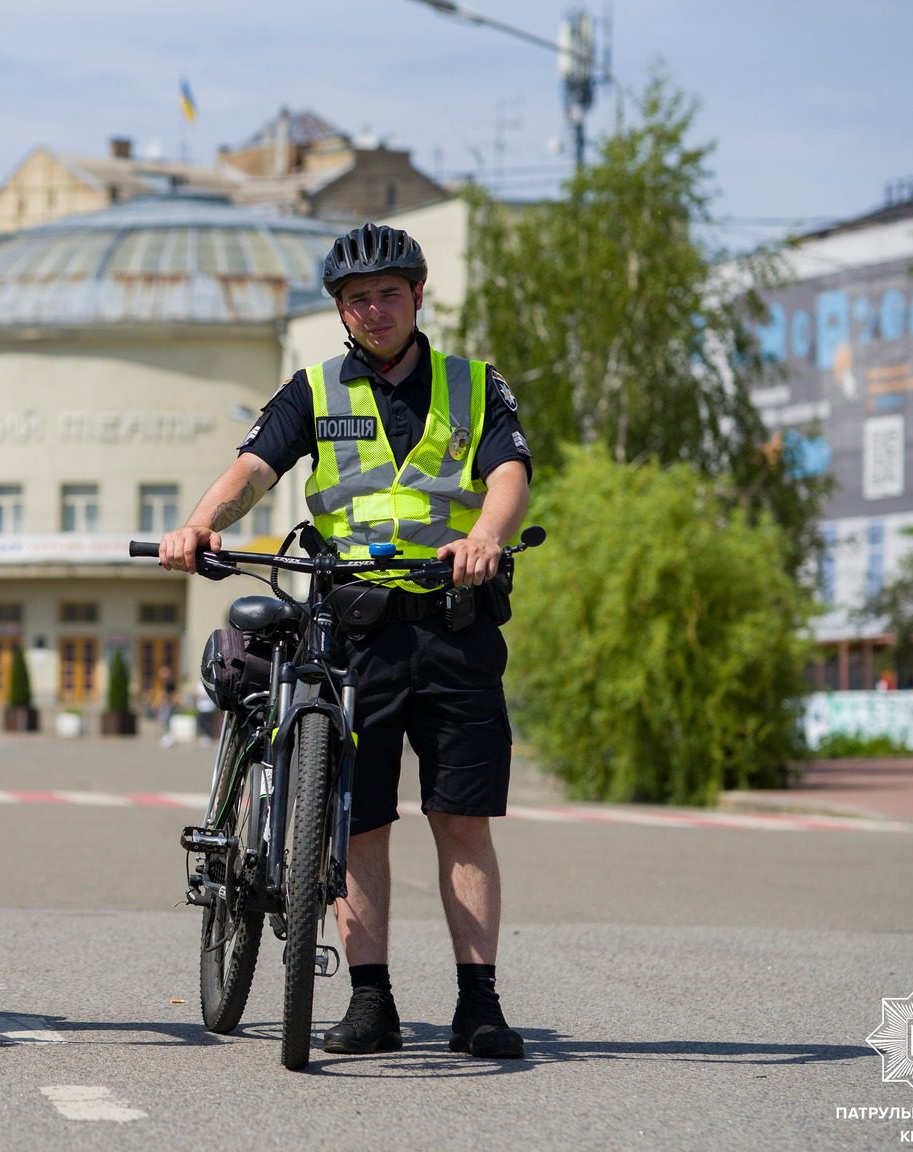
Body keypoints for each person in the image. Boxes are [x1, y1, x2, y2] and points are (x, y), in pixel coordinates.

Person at [157, 222, 533, 1060]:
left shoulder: (474, 386)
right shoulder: (314, 390)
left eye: (388, 294)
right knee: (358, 823)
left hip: (452, 623)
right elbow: (255, 466)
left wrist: (489, 538)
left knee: (461, 821)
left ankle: (479, 1003)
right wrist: (199, 524)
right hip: (352, 631)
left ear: (418, 296)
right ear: (339, 308)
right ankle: (372, 1002)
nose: (373, 309)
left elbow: (509, 471)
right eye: (357, 299)